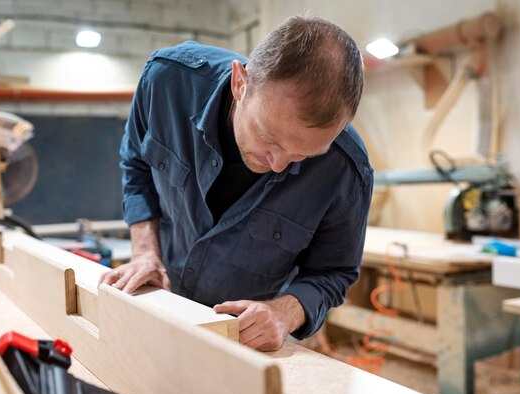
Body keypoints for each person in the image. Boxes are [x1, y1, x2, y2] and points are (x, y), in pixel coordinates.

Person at [99, 15, 373, 352]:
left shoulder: (346, 170)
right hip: (160, 304)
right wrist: (144, 252)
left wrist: (285, 313)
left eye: (305, 155)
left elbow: (334, 272)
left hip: (250, 344)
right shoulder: (166, 83)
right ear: (239, 83)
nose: (277, 164)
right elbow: (137, 162)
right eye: (268, 137)